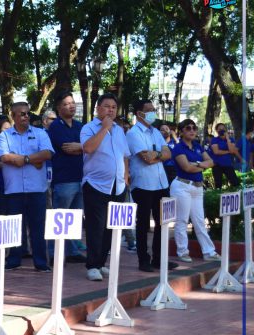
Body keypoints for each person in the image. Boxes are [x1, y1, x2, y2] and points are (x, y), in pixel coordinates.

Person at [0, 102, 54, 272]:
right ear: (13, 116)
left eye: (28, 113)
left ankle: (41, 262)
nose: (26, 116)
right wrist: (34, 160)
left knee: (38, 226)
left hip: (37, 188)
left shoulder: (40, 133)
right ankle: (14, 260)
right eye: (22, 114)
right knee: (14, 226)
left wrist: (24, 159)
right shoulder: (4, 136)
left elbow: (47, 153)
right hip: (13, 189)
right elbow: (5, 157)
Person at [80, 93, 131, 281]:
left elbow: (125, 155)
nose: (111, 110)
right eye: (107, 106)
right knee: (96, 226)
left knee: (111, 227)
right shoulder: (89, 128)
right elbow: (88, 148)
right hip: (95, 185)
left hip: (117, 186)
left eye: (114, 107)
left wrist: (125, 178)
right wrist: (104, 128)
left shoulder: (119, 130)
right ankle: (92, 265)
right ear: (98, 109)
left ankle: (102, 262)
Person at [126, 99, 176, 273]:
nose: (153, 113)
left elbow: (168, 153)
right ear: (139, 113)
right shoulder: (133, 133)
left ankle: (159, 258)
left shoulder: (155, 131)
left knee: (162, 222)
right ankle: (143, 259)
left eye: (153, 109)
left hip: (161, 182)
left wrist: (156, 154)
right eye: (149, 110)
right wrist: (158, 154)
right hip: (143, 184)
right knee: (143, 224)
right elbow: (145, 159)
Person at [170, 119, 221, 262]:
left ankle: (209, 252)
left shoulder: (198, 146)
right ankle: (182, 252)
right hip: (182, 186)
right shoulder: (179, 148)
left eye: (194, 128)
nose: (192, 130)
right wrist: (202, 165)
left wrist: (197, 164)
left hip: (197, 187)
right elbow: (187, 167)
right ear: (181, 131)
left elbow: (211, 162)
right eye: (188, 128)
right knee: (182, 220)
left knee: (199, 221)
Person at [47, 92, 86, 263]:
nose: (71, 106)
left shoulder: (80, 126)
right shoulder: (55, 126)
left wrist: (81, 146)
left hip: (81, 177)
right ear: (58, 107)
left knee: (74, 218)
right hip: (64, 179)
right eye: (66, 103)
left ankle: (71, 251)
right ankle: (53, 253)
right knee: (59, 217)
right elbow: (67, 148)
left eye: (72, 102)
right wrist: (83, 147)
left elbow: (89, 147)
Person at [210, 123, 242, 188]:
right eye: (219, 129)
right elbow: (216, 151)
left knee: (235, 183)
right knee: (218, 185)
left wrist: (227, 139)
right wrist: (228, 151)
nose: (221, 130)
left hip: (228, 164)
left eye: (223, 129)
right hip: (217, 165)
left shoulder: (231, 139)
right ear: (216, 131)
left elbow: (232, 150)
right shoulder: (214, 139)